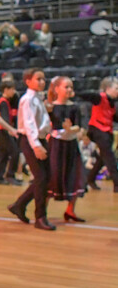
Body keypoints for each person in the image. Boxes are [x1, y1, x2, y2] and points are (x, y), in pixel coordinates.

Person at [8, 68, 56, 231]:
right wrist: (36, 145)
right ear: (28, 81)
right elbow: (29, 125)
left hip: (40, 139)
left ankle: (19, 205)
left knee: (45, 177)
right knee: (41, 177)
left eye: (43, 79)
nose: (42, 82)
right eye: (38, 79)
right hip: (30, 140)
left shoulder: (37, 98)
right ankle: (40, 217)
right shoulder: (27, 99)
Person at [47, 76, 86, 222]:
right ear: (57, 89)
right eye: (66, 87)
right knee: (53, 175)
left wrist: (71, 129)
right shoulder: (51, 107)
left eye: (71, 87)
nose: (69, 89)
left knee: (75, 175)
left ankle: (70, 210)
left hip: (71, 145)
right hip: (56, 145)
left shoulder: (74, 107)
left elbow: (78, 126)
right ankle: (42, 211)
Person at [80, 78, 118, 192]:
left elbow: (113, 117)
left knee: (103, 157)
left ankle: (90, 179)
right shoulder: (100, 98)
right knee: (110, 156)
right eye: (116, 88)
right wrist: (73, 93)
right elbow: (87, 95)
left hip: (106, 131)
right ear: (108, 89)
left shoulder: (113, 102)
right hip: (97, 130)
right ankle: (117, 183)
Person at [0, 79, 22, 184]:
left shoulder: (4, 101)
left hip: (1, 130)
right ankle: (10, 175)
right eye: (12, 89)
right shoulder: (3, 102)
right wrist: (10, 129)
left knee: (3, 154)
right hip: (3, 131)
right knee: (15, 152)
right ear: (6, 90)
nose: (14, 92)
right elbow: (5, 118)